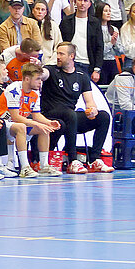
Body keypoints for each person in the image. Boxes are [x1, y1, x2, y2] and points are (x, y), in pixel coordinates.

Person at [41, 40, 111, 175]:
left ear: (71, 56)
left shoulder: (81, 76)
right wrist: (38, 67)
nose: (58, 57)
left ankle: (94, 159)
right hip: (51, 114)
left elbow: (89, 101)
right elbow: (43, 74)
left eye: (61, 54)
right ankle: (73, 160)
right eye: (57, 53)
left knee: (103, 116)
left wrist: (92, 110)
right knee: (70, 114)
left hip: (70, 118)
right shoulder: (52, 70)